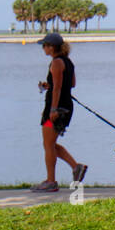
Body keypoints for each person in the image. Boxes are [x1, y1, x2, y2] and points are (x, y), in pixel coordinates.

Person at [33, 33, 87, 192]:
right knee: (50, 144)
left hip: (56, 108)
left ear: (51, 47)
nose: (43, 48)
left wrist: (53, 109)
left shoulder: (56, 63)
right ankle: (76, 167)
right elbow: (71, 84)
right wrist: (48, 85)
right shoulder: (68, 62)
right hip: (66, 105)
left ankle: (51, 181)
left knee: (48, 144)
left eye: (44, 45)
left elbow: (58, 88)